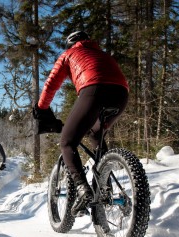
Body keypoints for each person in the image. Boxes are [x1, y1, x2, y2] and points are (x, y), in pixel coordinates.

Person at [33, 31, 129, 216]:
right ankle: (105, 186)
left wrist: (41, 108)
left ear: (70, 44)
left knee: (67, 142)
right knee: (95, 134)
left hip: (94, 90)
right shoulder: (102, 54)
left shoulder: (68, 54)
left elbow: (51, 83)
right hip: (121, 93)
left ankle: (82, 190)